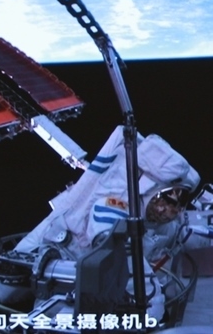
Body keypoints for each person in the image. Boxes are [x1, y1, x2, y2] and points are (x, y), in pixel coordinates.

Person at [12, 125, 200, 322]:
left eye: (178, 202)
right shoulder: (111, 207)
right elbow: (121, 257)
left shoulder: (149, 217)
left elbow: (181, 234)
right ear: (149, 189)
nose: (170, 210)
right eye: (167, 200)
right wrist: (153, 300)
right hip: (63, 281)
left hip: (94, 287)